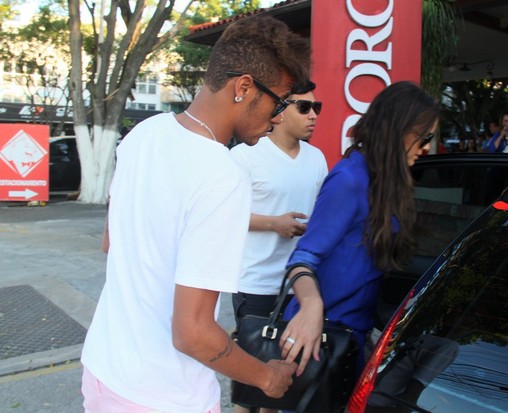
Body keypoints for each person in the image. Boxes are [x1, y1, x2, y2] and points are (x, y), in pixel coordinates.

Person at [81, 15, 311, 413]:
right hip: (164, 396)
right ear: (243, 87)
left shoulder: (144, 134)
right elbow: (192, 334)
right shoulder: (222, 177)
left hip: (105, 374)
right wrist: (267, 377)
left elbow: (111, 243)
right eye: (280, 101)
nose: (278, 116)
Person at [275, 82, 441, 387]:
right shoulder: (349, 178)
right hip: (321, 340)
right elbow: (302, 260)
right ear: (397, 130)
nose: (427, 147)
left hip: (354, 339)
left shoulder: (387, 181)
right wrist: (312, 307)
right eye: (423, 137)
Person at [230, 79, 327, 413]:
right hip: (255, 283)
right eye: (304, 107)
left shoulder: (317, 158)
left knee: (281, 383)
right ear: (280, 112)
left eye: (317, 108)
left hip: (298, 288)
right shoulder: (245, 156)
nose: (313, 115)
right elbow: (224, 215)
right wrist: (275, 223)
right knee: (249, 386)